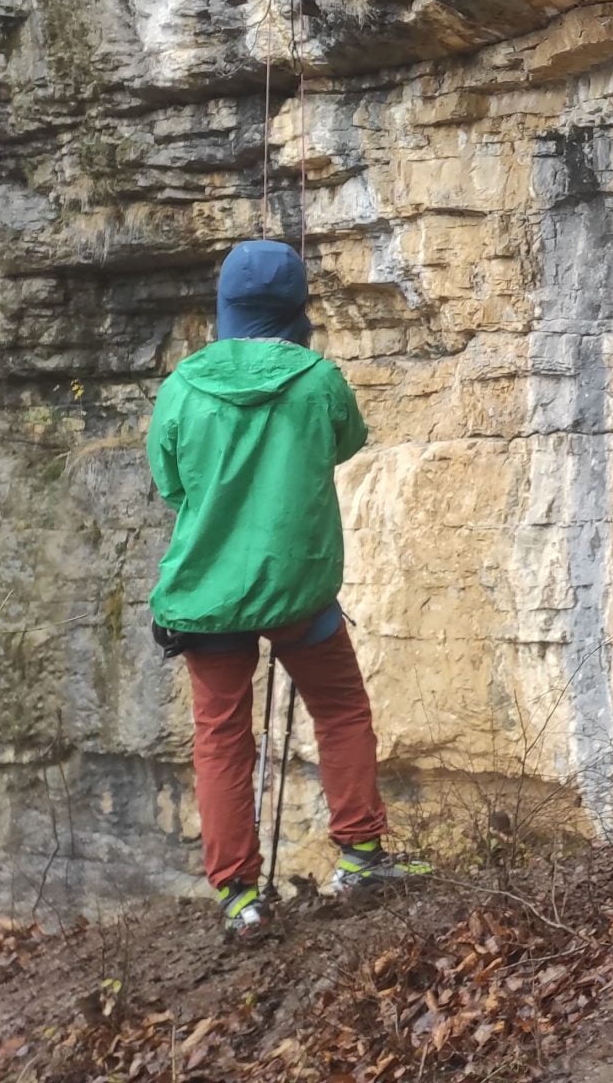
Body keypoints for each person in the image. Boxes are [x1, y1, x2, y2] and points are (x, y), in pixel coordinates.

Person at [146, 240, 427, 941]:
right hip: (299, 586)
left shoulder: (182, 388)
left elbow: (171, 484)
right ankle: (360, 859)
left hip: (207, 592)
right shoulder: (318, 380)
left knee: (221, 737)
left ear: (227, 308)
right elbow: (345, 442)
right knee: (339, 710)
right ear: (298, 308)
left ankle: (239, 896)